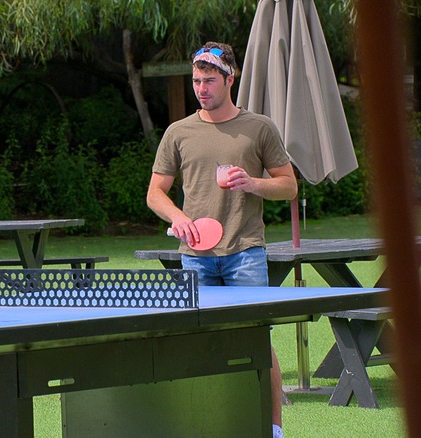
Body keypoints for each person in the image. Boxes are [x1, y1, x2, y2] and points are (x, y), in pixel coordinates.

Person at [146, 42, 297, 438]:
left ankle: (273, 429)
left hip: (245, 252)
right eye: (196, 80)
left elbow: (289, 187)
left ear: (230, 79)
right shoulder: (178, 132)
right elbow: (155, 193)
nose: (201, 88)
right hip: (195, 258)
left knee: (257, 343)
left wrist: (254, 183)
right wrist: (177, 217)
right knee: (199, 347)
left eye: (209, 80)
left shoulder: (259, 127)